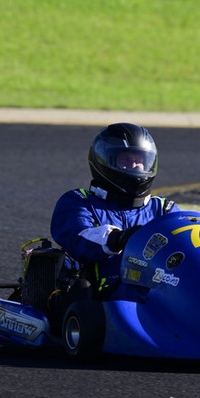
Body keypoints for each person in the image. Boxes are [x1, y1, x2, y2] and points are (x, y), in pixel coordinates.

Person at [49, 123, 179, 304]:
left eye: (140, 161)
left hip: (164, 288)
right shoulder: (80, 201)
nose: (135, 167)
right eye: (126, 161)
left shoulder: (164, 208)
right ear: (104, 162)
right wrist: (117, 238)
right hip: (108, 294)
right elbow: (78, 238)